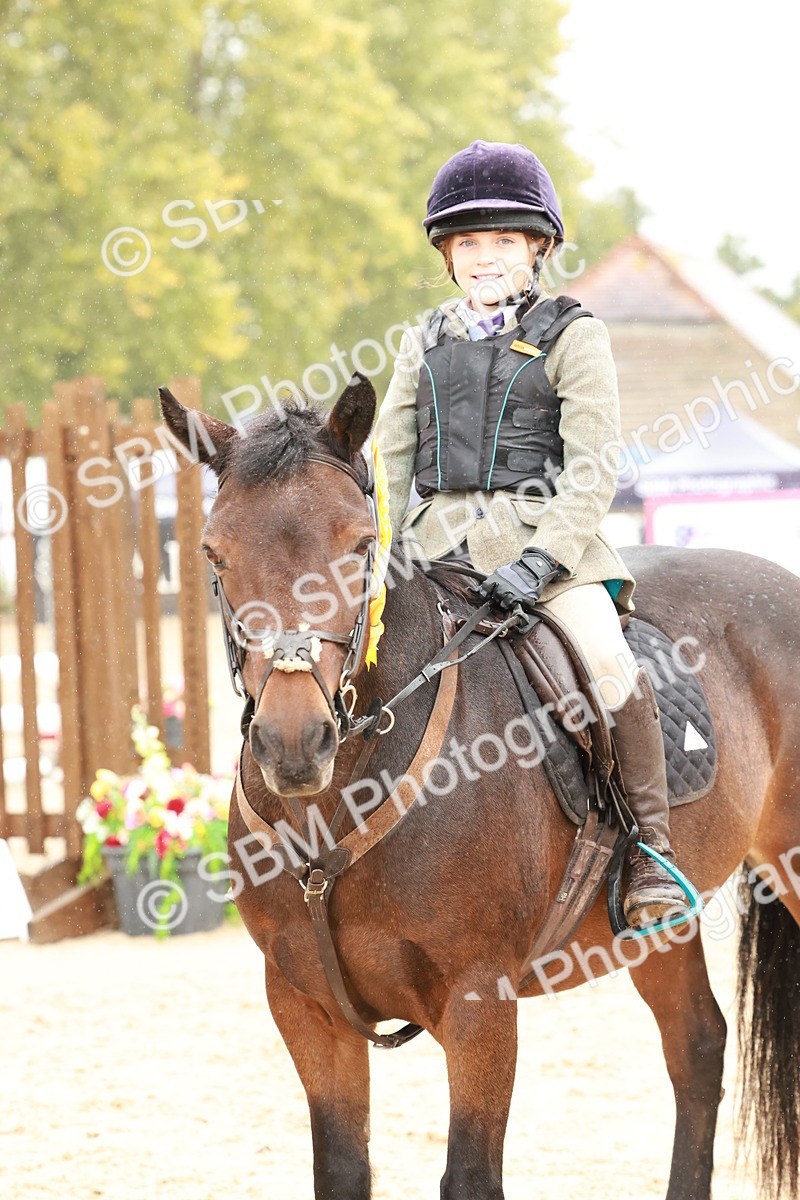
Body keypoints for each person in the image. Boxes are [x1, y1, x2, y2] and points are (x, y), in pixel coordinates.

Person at [374, 139, 688, 929]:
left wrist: (541, 558)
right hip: (432, 546)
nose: (486, 258)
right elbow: (390, 453)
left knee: (611, 667)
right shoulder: (423, 339)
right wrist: (394, 543)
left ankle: (652, 849)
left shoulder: (576, 335)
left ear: (538, 247)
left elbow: (593, 465)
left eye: (504, 241)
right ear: (448, 255)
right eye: (469, 243)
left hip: (552, 549)